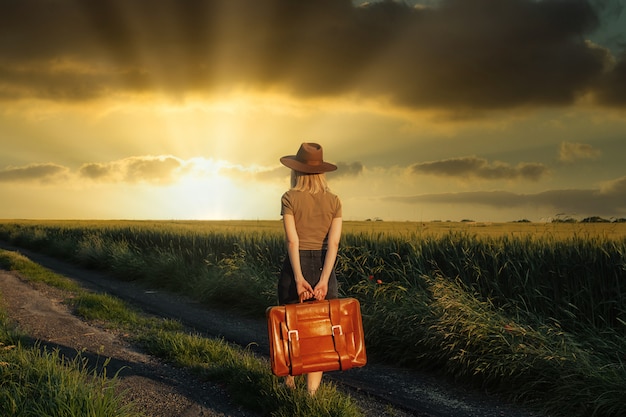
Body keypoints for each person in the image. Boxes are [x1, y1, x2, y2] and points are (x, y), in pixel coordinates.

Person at [278, 142, 343, 395]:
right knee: (319, 334)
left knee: (291, 328)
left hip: (296, 267)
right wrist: (324, 280)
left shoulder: (289, 197)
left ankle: (289, 383)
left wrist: (298, 278)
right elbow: (334, 243)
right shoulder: (334, 201)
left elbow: (293, 241)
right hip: (324, 267)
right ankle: (311, 396)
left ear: (297, 171)